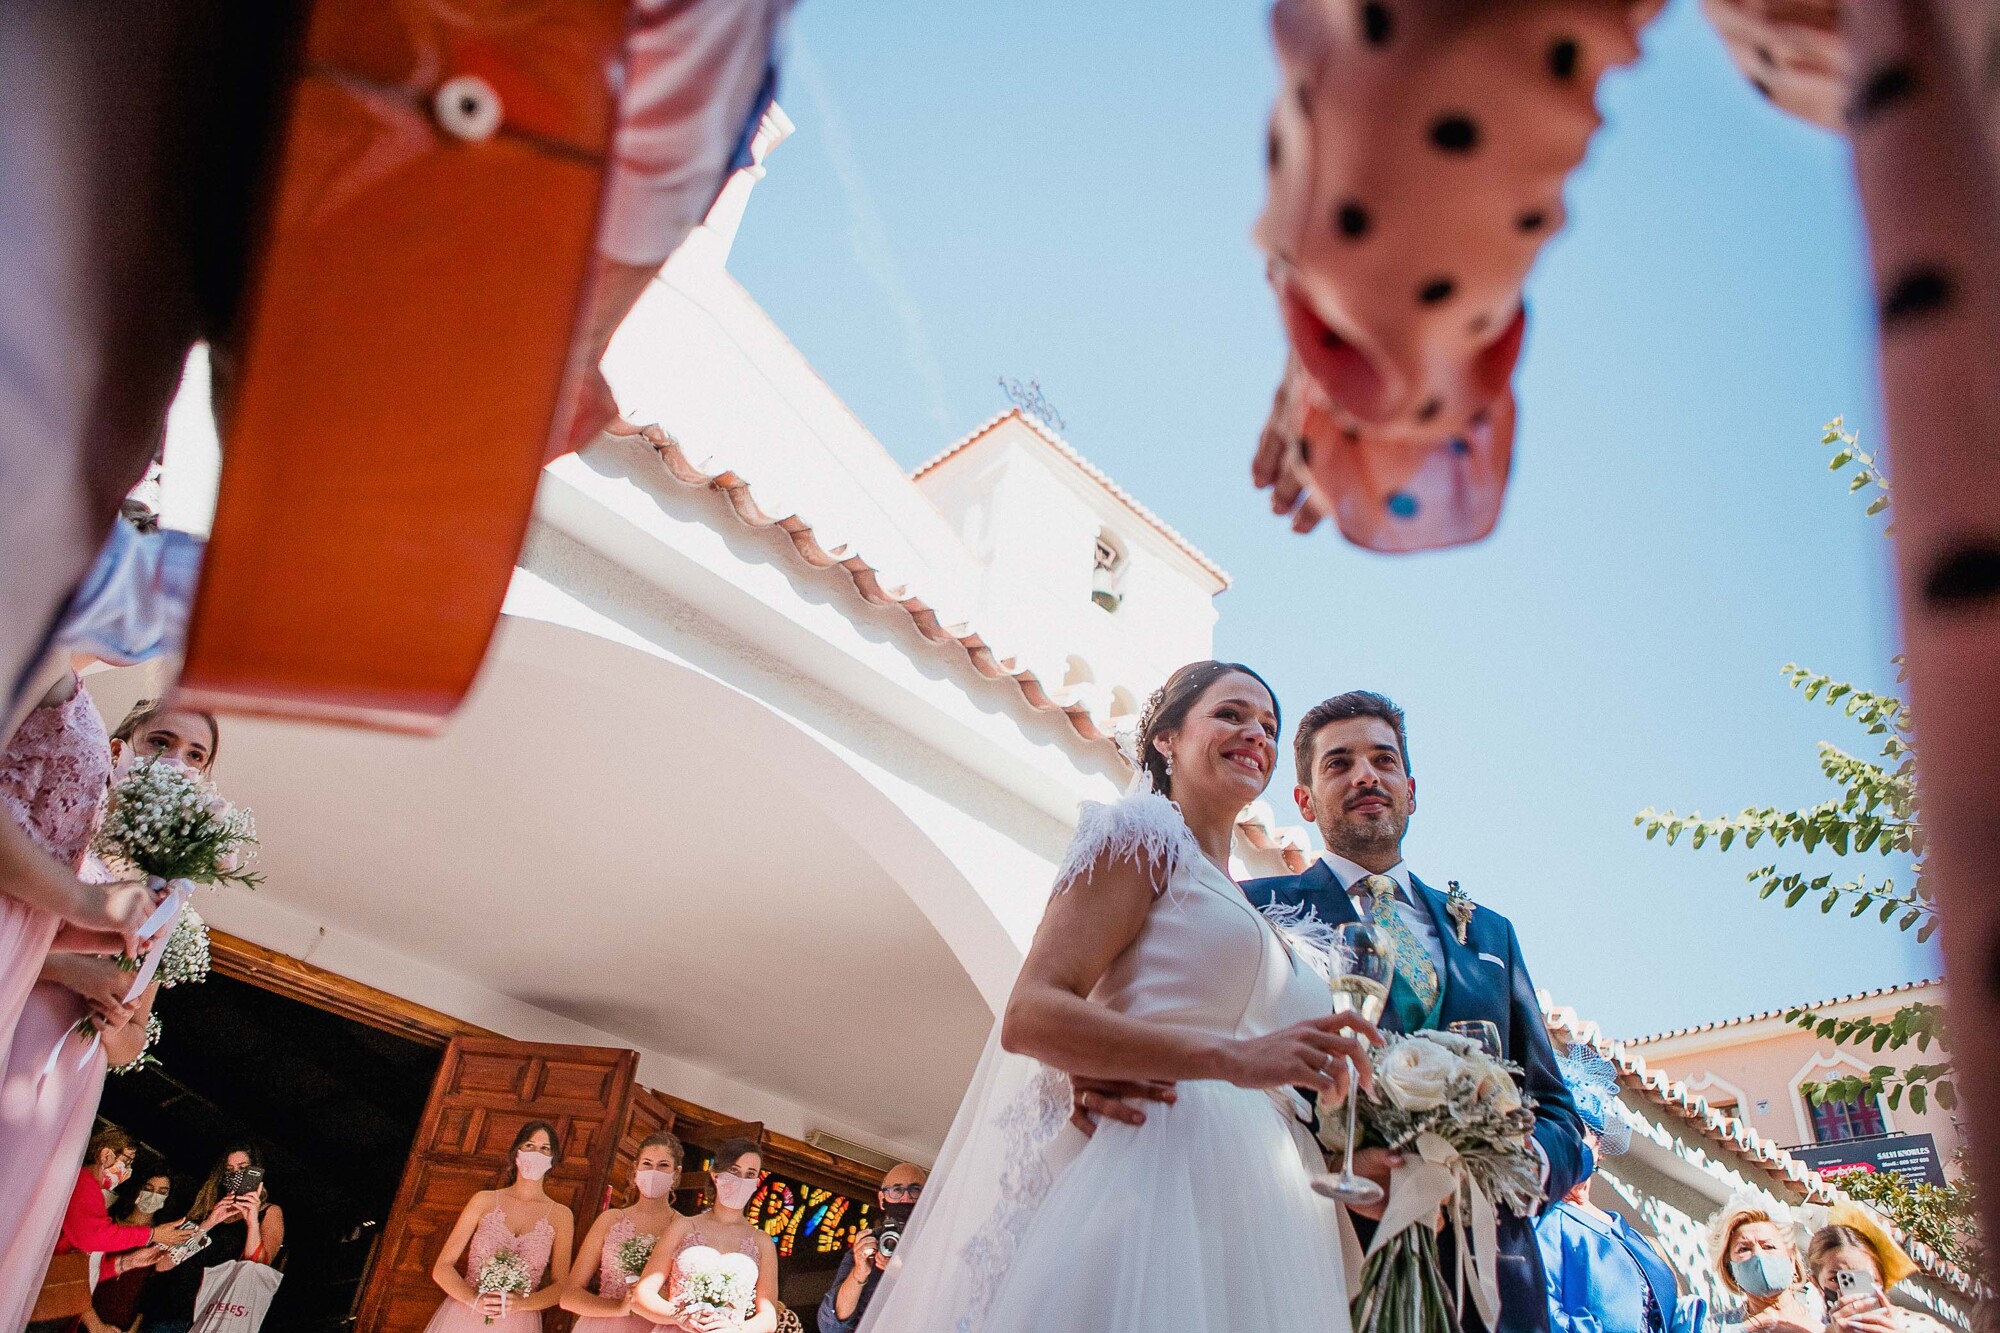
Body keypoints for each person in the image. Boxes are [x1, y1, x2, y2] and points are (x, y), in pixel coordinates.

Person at [859, 661, 1379, 1333]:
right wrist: (1237, 1056)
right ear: (1166, 738)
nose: (1256, 732)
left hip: (1273, 1210)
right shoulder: (1140, 836)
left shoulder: (1270, 920)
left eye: (1269, 726)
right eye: (1231, 713)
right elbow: (1032, 1014)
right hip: (1154, 1174)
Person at [1537, 1045, 1702, 1333]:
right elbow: (1542, 1313)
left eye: (1579, 1134)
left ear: (1599, 1146)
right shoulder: (1543, 1223)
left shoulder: (1633, 1235)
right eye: (1561, 1134)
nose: (1570, 1144)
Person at [24, 1129, 192, 1333]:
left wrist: (127, 1262)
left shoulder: (93, 1192)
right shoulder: (84, 1183)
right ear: (105, 1155)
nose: (127, 1171)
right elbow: (92, 1238)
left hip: (60, 1304)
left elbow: (84, 1270)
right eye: (126, 1161)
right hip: (47, 1302)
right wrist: (153, 1234)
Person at [422, 1122, 575, 1333]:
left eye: (544, 1148)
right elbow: (442, 1267)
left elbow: (560, 1286)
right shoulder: (484, 1201)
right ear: (516, 1152)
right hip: (466, 1315)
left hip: (519, 1322)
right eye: (529, 1145)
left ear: (552, 1159)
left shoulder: (561, 1215)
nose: (536, 1153)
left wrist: (522, 1304)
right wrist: (474, 1300)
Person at [632, 1137, 781, 1333]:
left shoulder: (762, 1242)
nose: (741, 1179)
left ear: (755, 1182)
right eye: (734, 1171)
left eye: (749, 1174)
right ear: (715, 1174)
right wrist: (681, 1316)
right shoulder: (684, 1226)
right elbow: (641, 1295)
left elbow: (769, 1317)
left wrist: (737, 1330)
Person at [138, 1145, 287, 1333]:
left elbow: (257, 1268)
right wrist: (209, 1223)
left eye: (242, 1169)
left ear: (256, 1172)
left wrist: (251, 1221)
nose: (235, 1176)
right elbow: (163, 1264)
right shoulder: (207, 1208)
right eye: (229, 1170)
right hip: (170, 1312)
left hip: (212, 1318)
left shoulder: (268, 1212)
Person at [561, 1131, 688, 1332]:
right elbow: (569, 1297)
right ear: (635, 1168)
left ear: (676, 1174)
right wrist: (619, 1308)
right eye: (647, 1164)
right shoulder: (610, 1220)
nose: (654, 1171)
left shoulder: (685, 1228)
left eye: (663, 1165)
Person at [815, 1163, 925, 1333]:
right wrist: (859, 1272)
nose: (905, 1198)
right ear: (882, 1199)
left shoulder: (940, 1244)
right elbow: (831, 1326)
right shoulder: (870, 1242)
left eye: (915, 1190)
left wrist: (902, 1276)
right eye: (897, 1190)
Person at [1806, 1212, 1953, 1333]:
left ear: (1881, 1278)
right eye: (1837, 1279)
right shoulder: (1808, 1328)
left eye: (1864, 1277)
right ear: (1815, 1283)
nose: (1850, 1288)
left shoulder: (1923, 1327)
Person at [1707, 1196, 1822, 1333]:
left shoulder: (1825, 1323)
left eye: (1768, 1246)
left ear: (1791, 1259)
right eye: (1744, 1249)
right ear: (1730, 1269)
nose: (1758, 1255)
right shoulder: (1715, 1328)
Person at [91, 1164, 177, 1333]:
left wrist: (132, 1329)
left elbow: (147, 1294)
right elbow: (83, 1276)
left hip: (123, 1325)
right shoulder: (110, 1224)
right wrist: (95, 1325)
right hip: (85, 1318)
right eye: (148, 1188)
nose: (154, 1196)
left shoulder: (163, 1239)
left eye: (162, 1192)